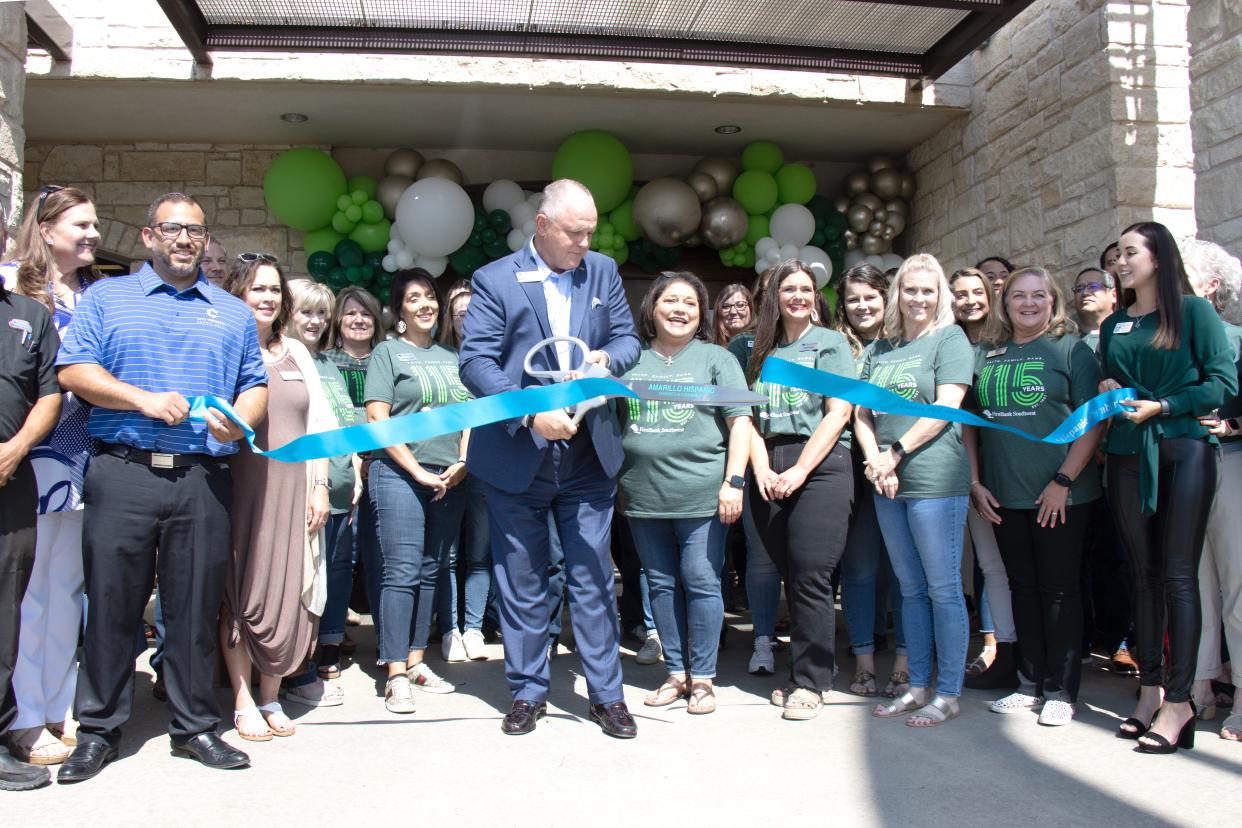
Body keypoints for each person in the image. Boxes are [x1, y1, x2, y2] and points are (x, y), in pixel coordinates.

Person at [55, 193, 267, 782]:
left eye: (195, 232)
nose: (184, 240)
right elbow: (74, 370)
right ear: (148, 237)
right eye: (172, 229)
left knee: (194, 609)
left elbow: (254, 383)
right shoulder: (106, 297)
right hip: (121, 472)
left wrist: (240, 416)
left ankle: (196, 726)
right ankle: (96, 730)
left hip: (202, 477)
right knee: (111, 609)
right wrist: (142, 399)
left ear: (205, 241)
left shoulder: (230, 312)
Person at [458, 179, 641, 738]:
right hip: (519, 453)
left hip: (589, 454)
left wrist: (607, 359)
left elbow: (630, 339)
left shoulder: (603, 272)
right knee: (522, 579)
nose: (586, 242)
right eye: (575, 232)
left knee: (591, 575)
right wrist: (529, 414)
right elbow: (477, 363)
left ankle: (607, 695)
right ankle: (529, 691)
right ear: (542, 226)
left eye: (591, 232)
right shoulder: (493, 280)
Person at [1100, 221, 1237, 754]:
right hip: (1128, 456)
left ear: (1159, 258)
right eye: (1118, 255)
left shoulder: (1194, 312)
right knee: (1143, 576)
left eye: (1130, 252)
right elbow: (1113, 382)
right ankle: (1151, 688)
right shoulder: (1114, 325)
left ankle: (1181, 702)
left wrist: (1166, 406)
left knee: (1179, 577)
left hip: (1183, 450)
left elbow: (1220, 383)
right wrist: (1111, 387)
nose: (1121, 262)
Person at [966, 267, 1103, 726]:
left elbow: (1094, 421)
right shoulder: (988, 352)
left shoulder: (1073, 350)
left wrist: (1063, 482)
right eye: (1019, 296)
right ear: (1004, 304)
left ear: (1053, 301)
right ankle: (1029, 684)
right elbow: (969, 421)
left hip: (1060, 495)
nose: (1028, 303)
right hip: (1005, 495)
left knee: (1060, 590)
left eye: (1038, 295)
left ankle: (1061, 691)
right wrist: (975, 481)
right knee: (1022, 588)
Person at [619, 272, 751, 716]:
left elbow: (741, 424)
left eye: (690, 303)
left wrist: (734, 482)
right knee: (659, 584)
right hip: (643, 495)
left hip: (703, 496)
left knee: (701, 581)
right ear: (651, 309)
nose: (680, 310)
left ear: (702, 313)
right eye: (670, 301)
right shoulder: (629, 360)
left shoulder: (717, 359)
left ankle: (705, 678)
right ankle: (676, 673)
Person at [1, 186, 101, 766]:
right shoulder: (12, 286)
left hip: (84, 458)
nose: (91, 234)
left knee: (67, 589)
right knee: (28, 591)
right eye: (81, 224)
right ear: (45, 228)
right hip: (30, 455)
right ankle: (23, 715)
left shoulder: (91, 295)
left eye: (93, 225)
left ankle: (57, 707)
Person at [218, 256, 334, 741]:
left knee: (290, 586)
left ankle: (271, 695)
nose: (267, 298)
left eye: (273, 290)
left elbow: (322, 424)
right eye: (256, 289)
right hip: (239, 487)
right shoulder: (223, 346)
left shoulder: (297, 353)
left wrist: (321, 485)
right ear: (237, 295)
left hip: (294, 488)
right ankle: (242, 698)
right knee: (241, 589)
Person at [858, 253, 974, 728]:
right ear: (897, 294)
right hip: (886, 481)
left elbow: (948, 404)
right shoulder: (877, 349)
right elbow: (860, 412)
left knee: (943, 589)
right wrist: (875, 459)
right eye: (910, 289)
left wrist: (896, 452)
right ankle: (917, 685)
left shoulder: (949, 339)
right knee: (910, 590)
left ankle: (947, 693)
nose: (918, 298)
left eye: (928, 290)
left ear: (940, 295)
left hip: (934, 481)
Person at [746, 259, 855, 721]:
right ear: (774, 297)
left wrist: (800, 470)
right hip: (769, 465)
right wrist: (760, 470)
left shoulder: (830, 343)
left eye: (806, 288)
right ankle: (799, 672)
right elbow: (745, 418)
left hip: (821, 465)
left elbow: (839, 411)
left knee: (811, 574)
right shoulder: (759, 352)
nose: (798, 296)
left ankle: (812, 681)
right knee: (791, 572)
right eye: (788, 288)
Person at [366, 269, 469, 713]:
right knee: (402, 571)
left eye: (430, 296)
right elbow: (378, 420)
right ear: (400, 310)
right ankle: (393, 673)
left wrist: (464, 462)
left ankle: (416, 661)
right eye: (414, 298)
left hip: (450, 476)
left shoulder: (453, 355)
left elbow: (471, 416)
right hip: (398, 474)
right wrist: (417, 471)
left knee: (433, 568)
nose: (426, 304)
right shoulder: (387, 353)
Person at [833, 264, 908, 698]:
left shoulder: (906, 343)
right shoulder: (837, 347)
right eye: (853, 299)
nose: (862, 306)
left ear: (886, 296)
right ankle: (863, 662)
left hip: (900, 467)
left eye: (870, 297)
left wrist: (888, 458)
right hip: (852, 470)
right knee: (859, 571)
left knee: (902, 572)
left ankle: (903, 661)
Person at [280, 280, 356, 701]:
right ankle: (295, 672)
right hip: (302, 492)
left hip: (341, 491)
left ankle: (310, 660)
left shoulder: (326, 362)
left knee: (324, 583)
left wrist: (356, 473)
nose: (315, 321)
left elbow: (340, 426)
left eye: (321, 313)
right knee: (300, 582)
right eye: (306, 312)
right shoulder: (282, 359)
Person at [0, 276, 61, 791]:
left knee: (4, 610)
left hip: (10, 477)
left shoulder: (29, 316)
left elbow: (48, 396)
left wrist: (16, 449)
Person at [1182, 239, 1242, 740]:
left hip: (1231, 467)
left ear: (1211, 286)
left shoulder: (1235, 337)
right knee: (1192, 585)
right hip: (1182, 467)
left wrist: (1234, 426)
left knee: (1236, 590)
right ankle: (1199, 686)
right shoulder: (1164, 340)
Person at [948, 267, 1018, 691]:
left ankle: (999, 647)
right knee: (971, 568)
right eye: (960, 294)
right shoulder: (946, 342)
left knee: (1001, 567)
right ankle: (985, 646)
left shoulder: (1005, 344)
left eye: (977, 292)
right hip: (953, 470)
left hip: (999, 470)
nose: (970, 300)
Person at [726, 271, 783, 677]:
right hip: (755, 456)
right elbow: (740, 409)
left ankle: (809, 644)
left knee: (806, 560)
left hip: (809, 458)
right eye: (768, 295)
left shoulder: (821, 340)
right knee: (761, 558)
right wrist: (757, 464)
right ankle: (762, 639)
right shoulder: (741, 345)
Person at [323, 286, 384, 643]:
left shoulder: (387, 358)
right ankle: (333, 632)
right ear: (338, 320)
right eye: (350, 313)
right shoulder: (326, 362)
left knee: (381, 557)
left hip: (384, 465)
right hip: (338, 471)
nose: (358, 320)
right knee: (340, 556)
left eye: (365, 314)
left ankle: (385, 636)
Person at [437, 284, 492, 661]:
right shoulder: (439, 358)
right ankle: (449, 630)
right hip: (445, 467)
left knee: (479, 554)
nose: (468, 320)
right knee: (448, 555)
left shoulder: (493, 358)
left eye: (475, 312)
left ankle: (474, 628)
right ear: (449, 321)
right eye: (460, 314)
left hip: (486, 469)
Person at [1072, 267, 1117, 352]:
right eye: (1079, 289)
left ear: (1114, 295)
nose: (1085, 293)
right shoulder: (1064, 340)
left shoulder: (1128, 331)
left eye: (1093, 286)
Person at [713, 282, 754, 347]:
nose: (733, 312)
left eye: (740, 305)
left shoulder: (763, 344)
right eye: (726, 306)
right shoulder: (709, 348)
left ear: (751, 308)